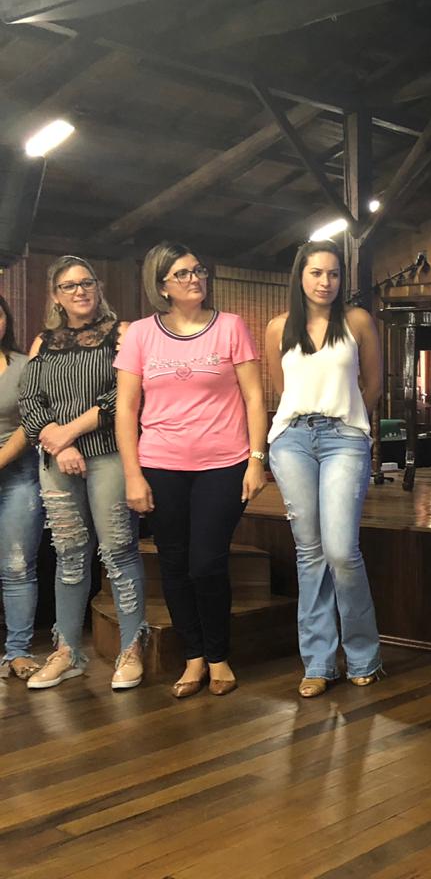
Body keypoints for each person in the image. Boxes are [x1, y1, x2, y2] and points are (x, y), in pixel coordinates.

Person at [115, 243, 268, 698]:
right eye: (182, 273)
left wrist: (256, 459)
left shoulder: (231, 326)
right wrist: (132, 474)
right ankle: (194, 657)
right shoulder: (141, 333)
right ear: (161, 285)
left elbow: (254, 397)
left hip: (223, 463)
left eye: (198, 270)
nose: (195, 278)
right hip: (160, 464)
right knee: (174, 563)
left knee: (207, 562)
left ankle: (219, 656)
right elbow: (126, 408)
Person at [19, 256, 146, 690]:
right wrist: (60, 442)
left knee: (118, 551)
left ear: (98, 287)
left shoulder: (121, 333)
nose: (80, 291)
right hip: (58, 460)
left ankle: (131, 649)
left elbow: (122, 396)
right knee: (70, 555)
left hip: (108, 454)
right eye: (70, 286)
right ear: (56, 295)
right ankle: (67, 651)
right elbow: (29, 400)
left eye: (87, 282)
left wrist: (70, 432)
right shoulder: (43, 342)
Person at [265, 239, 382, 698]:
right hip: (292, 438)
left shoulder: (357, 321)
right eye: (316, 273)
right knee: (309, 552)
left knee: (341, 550)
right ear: (300, 276)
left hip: (344, 438)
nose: (325, 282)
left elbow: (373, 383)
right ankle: (317, 662)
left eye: (333, 274)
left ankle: (363, 655)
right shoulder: (279, 327)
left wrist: (350, 421)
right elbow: (283, 389)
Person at [0, 294, 43, 681]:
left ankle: (17, 651)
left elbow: (31, 421)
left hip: (18, 474)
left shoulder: (24, 365)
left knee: (16, 566)